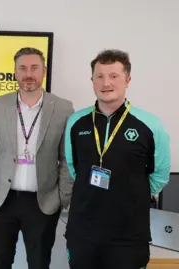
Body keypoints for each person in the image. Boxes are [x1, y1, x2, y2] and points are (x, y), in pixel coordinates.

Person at [64, 49, 171, 269]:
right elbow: (74, 167)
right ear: (92, 80)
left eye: (114, 76)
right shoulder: (76, 122)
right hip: (83, 230)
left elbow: (160, 175)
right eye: (99, 76)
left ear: (128, 80)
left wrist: (129, 193)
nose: (106, 83)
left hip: (129, 234)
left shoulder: (150, 124)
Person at [0, 47, 75, 269]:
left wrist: (62, 196)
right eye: (22, 68)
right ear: (15, 72)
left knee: (39, 264)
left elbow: (67, 158)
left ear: (44, 71)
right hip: (0, 200)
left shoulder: (63, 108)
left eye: (34, 68)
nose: (28, 74)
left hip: (43, 202)